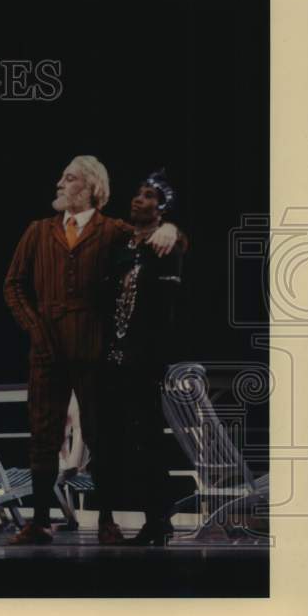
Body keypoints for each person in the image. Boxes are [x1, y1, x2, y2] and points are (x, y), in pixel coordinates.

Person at [3, 155, 179, 545]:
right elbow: (13, 285)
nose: (60, 185)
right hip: (46, 350)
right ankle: (40, 521)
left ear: (90, 188)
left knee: (102, 436)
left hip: (93, 349)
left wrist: (171, 228)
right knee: (43, 434)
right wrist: (34, 328)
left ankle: (106, 519)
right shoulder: (39, 230)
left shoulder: (112, 230)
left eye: (69, 180)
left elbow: (151, 236)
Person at [101, 170, 185, 545]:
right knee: (120, 440)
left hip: (144, 357)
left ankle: (159, 520)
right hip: (115, 357)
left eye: (149, 195)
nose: (139, 199)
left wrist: (174, 229)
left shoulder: (166, 243)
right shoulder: (124, 244)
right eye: (137, 193)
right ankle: (134, 518)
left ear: (161, 206)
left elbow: (166, 311)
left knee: (149, 437)